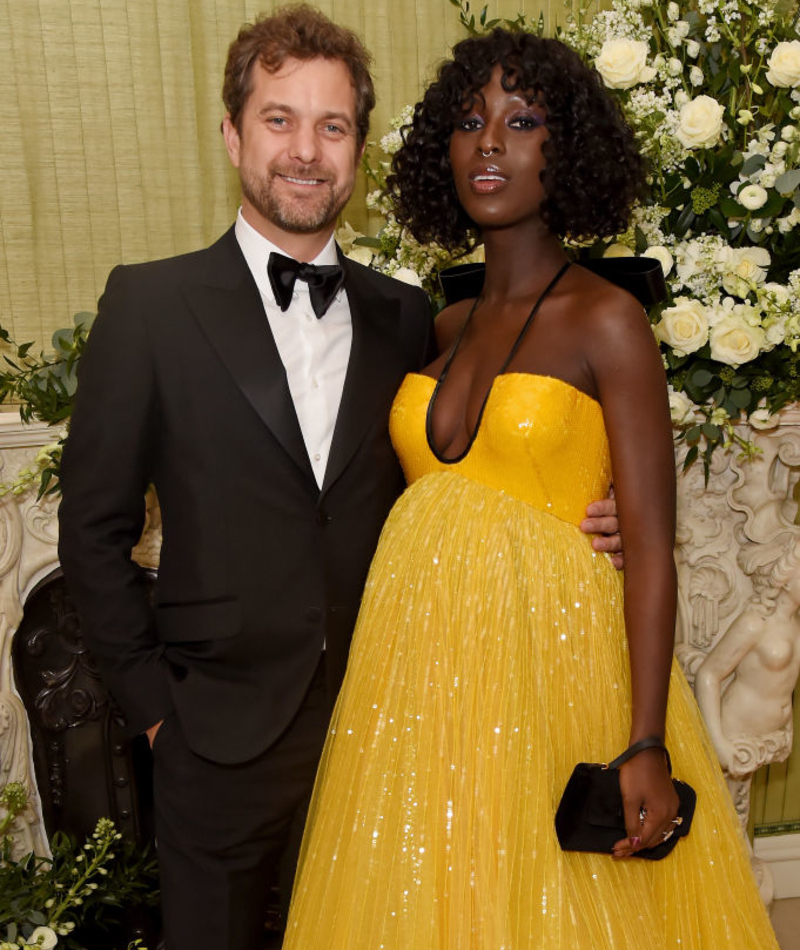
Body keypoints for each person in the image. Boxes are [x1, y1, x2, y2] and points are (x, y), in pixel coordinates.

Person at [56, 9, 621, 950]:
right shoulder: (148, 305)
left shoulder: (413, 319)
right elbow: (92, 530)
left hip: (396, 719)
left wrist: (594, 516)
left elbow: (462, 484)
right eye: (279, 121)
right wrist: (159, 717)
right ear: (233, 134)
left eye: (332, 126)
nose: (305, 152)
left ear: (358, 147)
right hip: (214, 739)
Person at [283, 28, 780, 949]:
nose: (490, 144)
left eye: (522, 121)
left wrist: (645, 741)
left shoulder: (608, 319)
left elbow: (650, 548)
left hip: (557, 674)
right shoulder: (445, 321)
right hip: (420, 689)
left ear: (569, 148)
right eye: (471, 122)